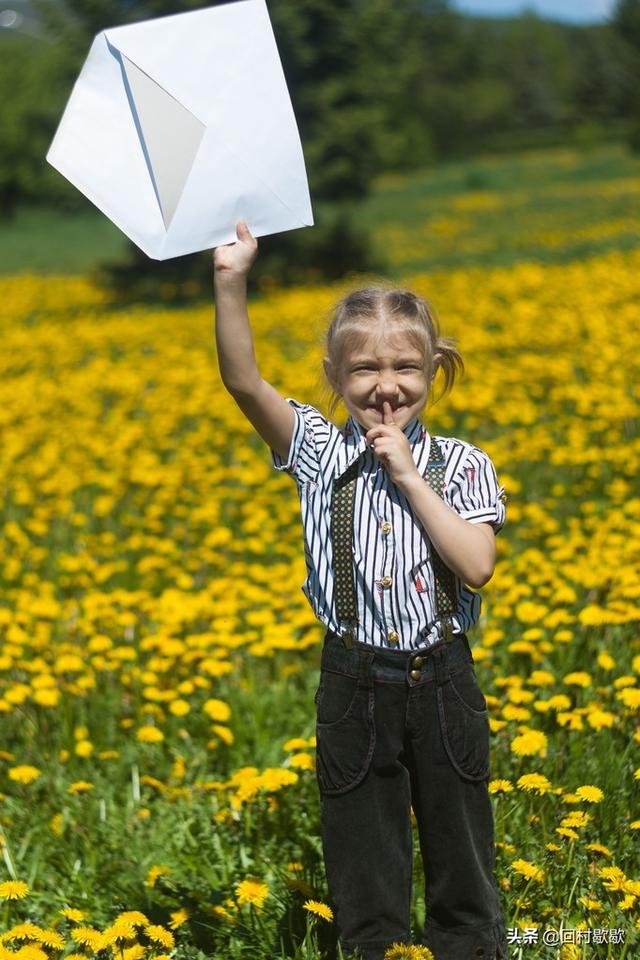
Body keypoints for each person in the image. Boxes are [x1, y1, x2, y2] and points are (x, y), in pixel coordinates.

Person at [213, 220, 509, 960]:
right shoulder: (317, 451)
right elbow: (243, 380)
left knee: (462, 855)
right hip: (353, 683)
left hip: (442, 679)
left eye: (406, 367)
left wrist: (408, 473)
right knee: (363, 856)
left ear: (436, 369)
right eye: (364, 371)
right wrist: (230, 278)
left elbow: (476, 564)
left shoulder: (464, 464)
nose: (386, 387)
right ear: (334, 376)